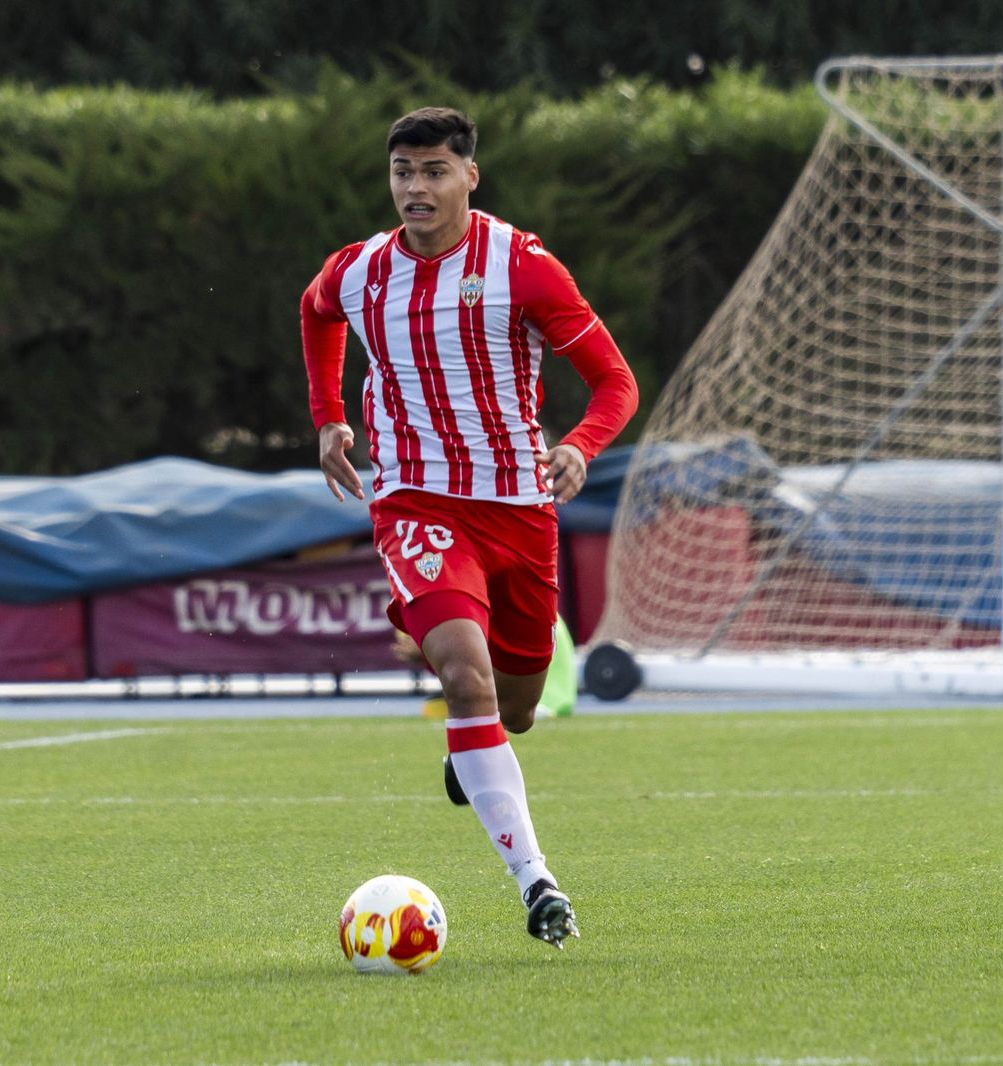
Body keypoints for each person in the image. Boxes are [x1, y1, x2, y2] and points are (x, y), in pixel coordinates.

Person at [300, 107, 638, 948]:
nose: (416, 187)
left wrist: (582, 446)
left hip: (519, 510)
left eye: (434, 172)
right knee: (465, 677)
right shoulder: (361, 269)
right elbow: (316, 313)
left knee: (515, 710)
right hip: (416, 501)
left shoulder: (522, 267)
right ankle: (538, 884)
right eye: (403, 172)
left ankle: (471, 749)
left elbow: (615, 383)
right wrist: (329, 415)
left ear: (468, 177)